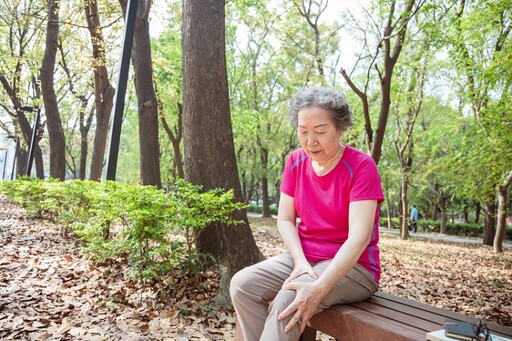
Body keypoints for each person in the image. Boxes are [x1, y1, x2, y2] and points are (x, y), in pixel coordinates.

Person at [230, 86, 385, 341]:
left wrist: (318, 288)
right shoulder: (295, 161)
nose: (310, 141)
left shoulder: (361, 166)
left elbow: (358, 239)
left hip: (355, 267)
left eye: (320, 131)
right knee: (242, 285)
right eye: (303, 132)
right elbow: (285, 219)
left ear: (340, 128)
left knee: (290, 299)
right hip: (305, 258)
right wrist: (300, 261)